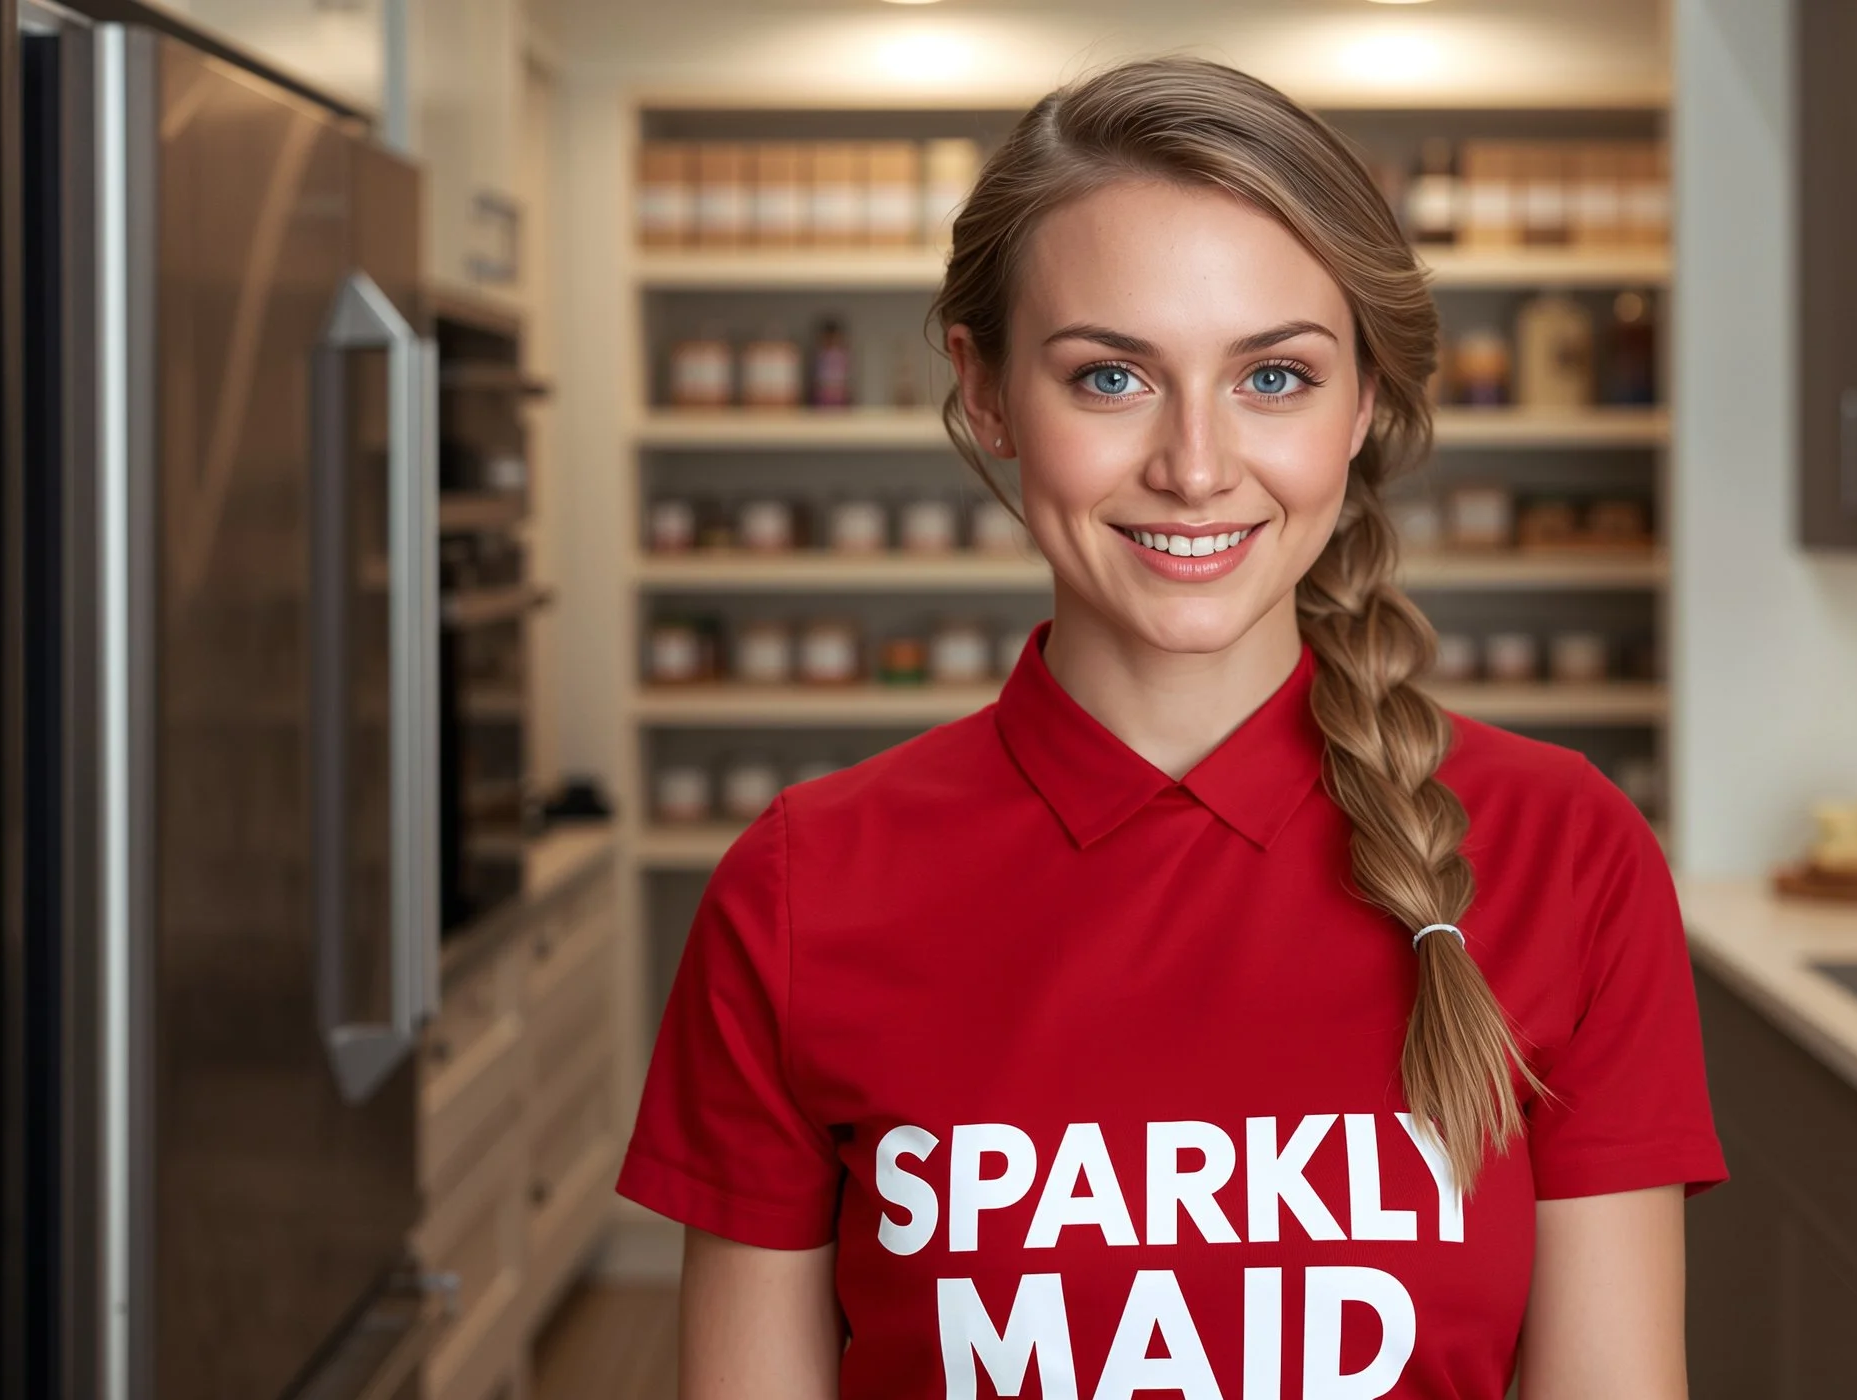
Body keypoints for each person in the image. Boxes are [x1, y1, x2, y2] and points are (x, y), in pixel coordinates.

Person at [617, 56, 1725, 1400]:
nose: (1195, 466)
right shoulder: (798, 893)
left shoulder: (1566, 856)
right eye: (1108, 379)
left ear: (1362, 400)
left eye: (1273, 378)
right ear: (985, 393)